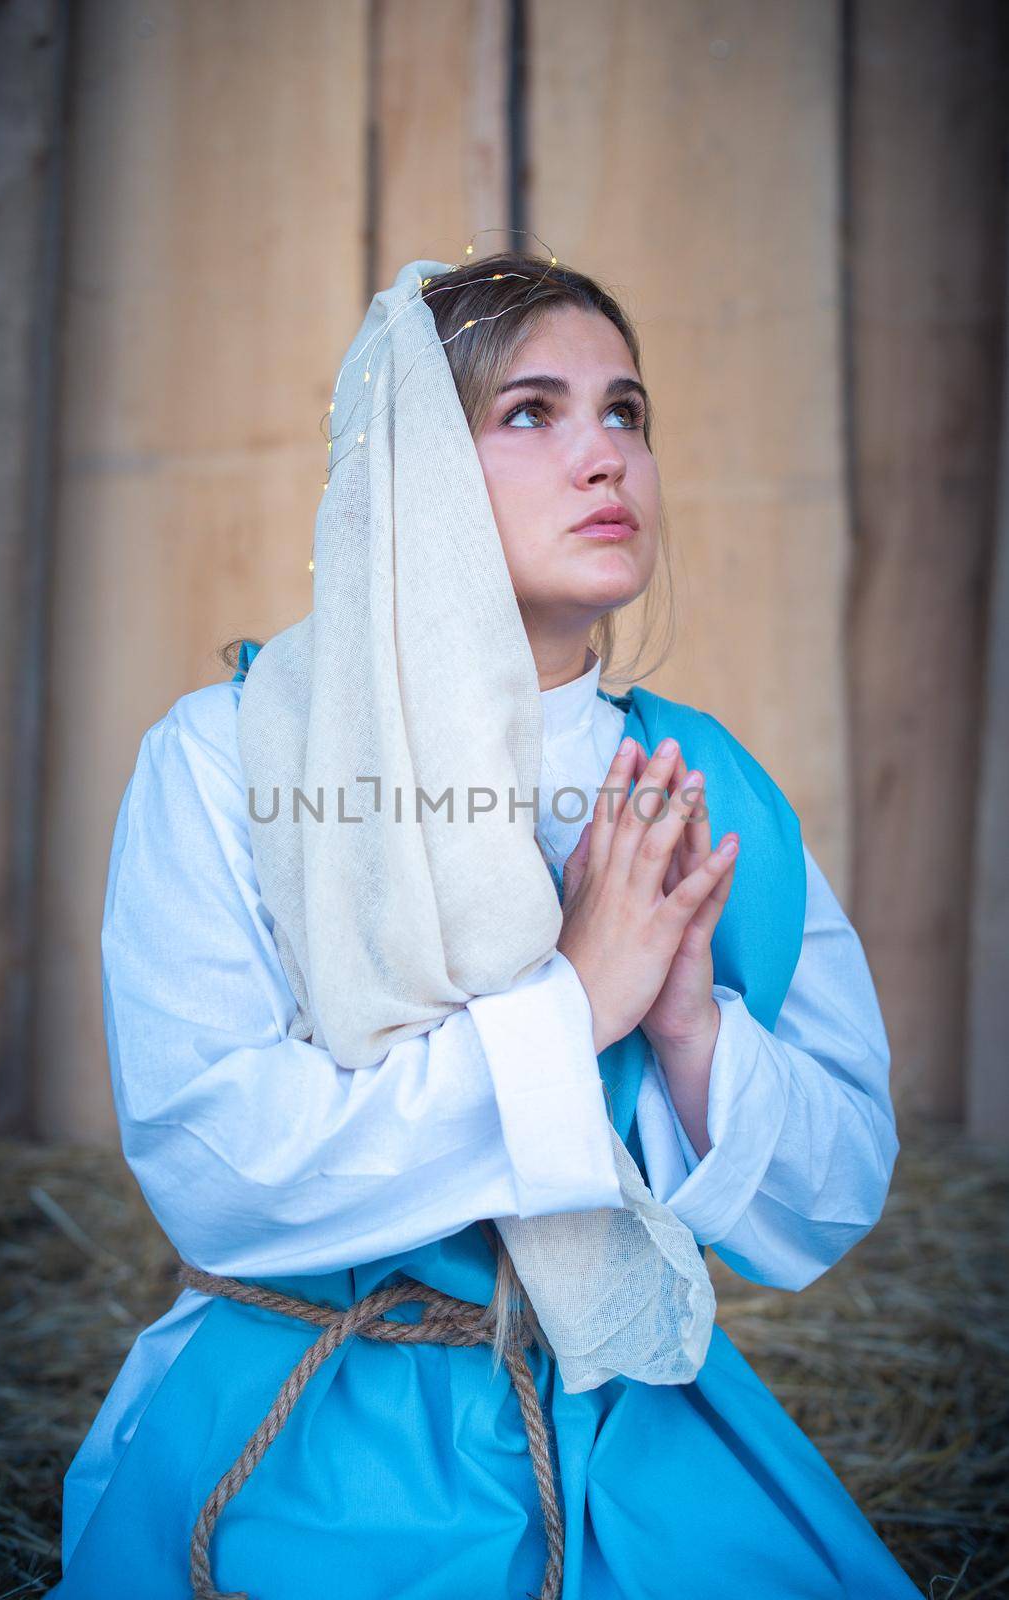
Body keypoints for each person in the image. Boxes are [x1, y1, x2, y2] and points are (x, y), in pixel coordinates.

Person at [49, 251, 923, 1599]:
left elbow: (833, 1194)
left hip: (626, 1404)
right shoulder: (231, 759)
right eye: (534, 411)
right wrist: (573, 1003)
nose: (605, 456)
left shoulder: (698, 792)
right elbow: (219, 1165)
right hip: (312, 1416)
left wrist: (690, 1028)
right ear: (418, 469)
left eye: (625, 410)